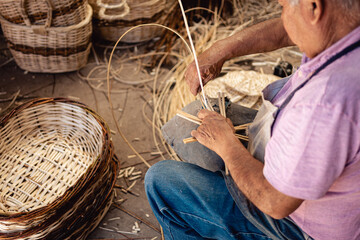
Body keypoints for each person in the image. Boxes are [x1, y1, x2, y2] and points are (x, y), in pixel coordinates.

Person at [145, 0, 360, 239]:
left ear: (314, 7)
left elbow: (275, 201)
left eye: (284, 6)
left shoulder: (325, 102)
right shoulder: (344, 31)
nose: (282, 11)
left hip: (300, 226)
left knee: (163, 182)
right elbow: (285, 31)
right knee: (194, 136)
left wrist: (228, 146)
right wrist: (222, 49)